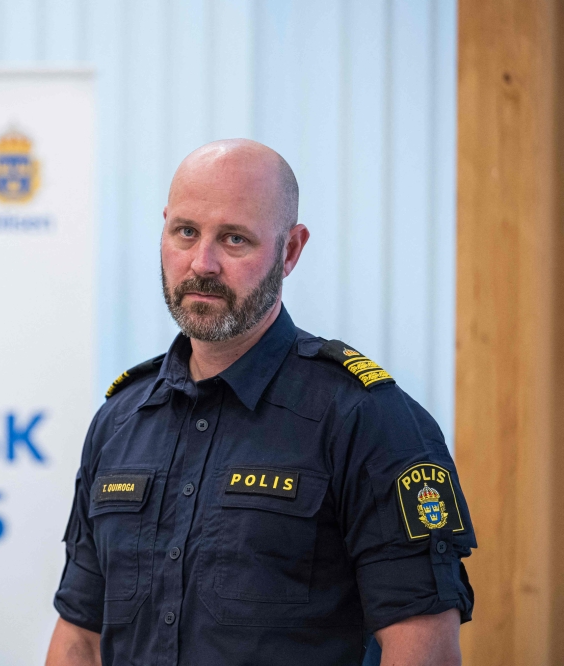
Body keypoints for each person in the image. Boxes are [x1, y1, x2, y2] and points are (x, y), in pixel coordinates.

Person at [45, 140, 474, 666]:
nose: (202, 264)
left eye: (234, 239)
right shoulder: (120, 421)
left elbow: (422, 649)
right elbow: (79, 639)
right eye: (186, 232)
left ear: (290, 251)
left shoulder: (368, 420)